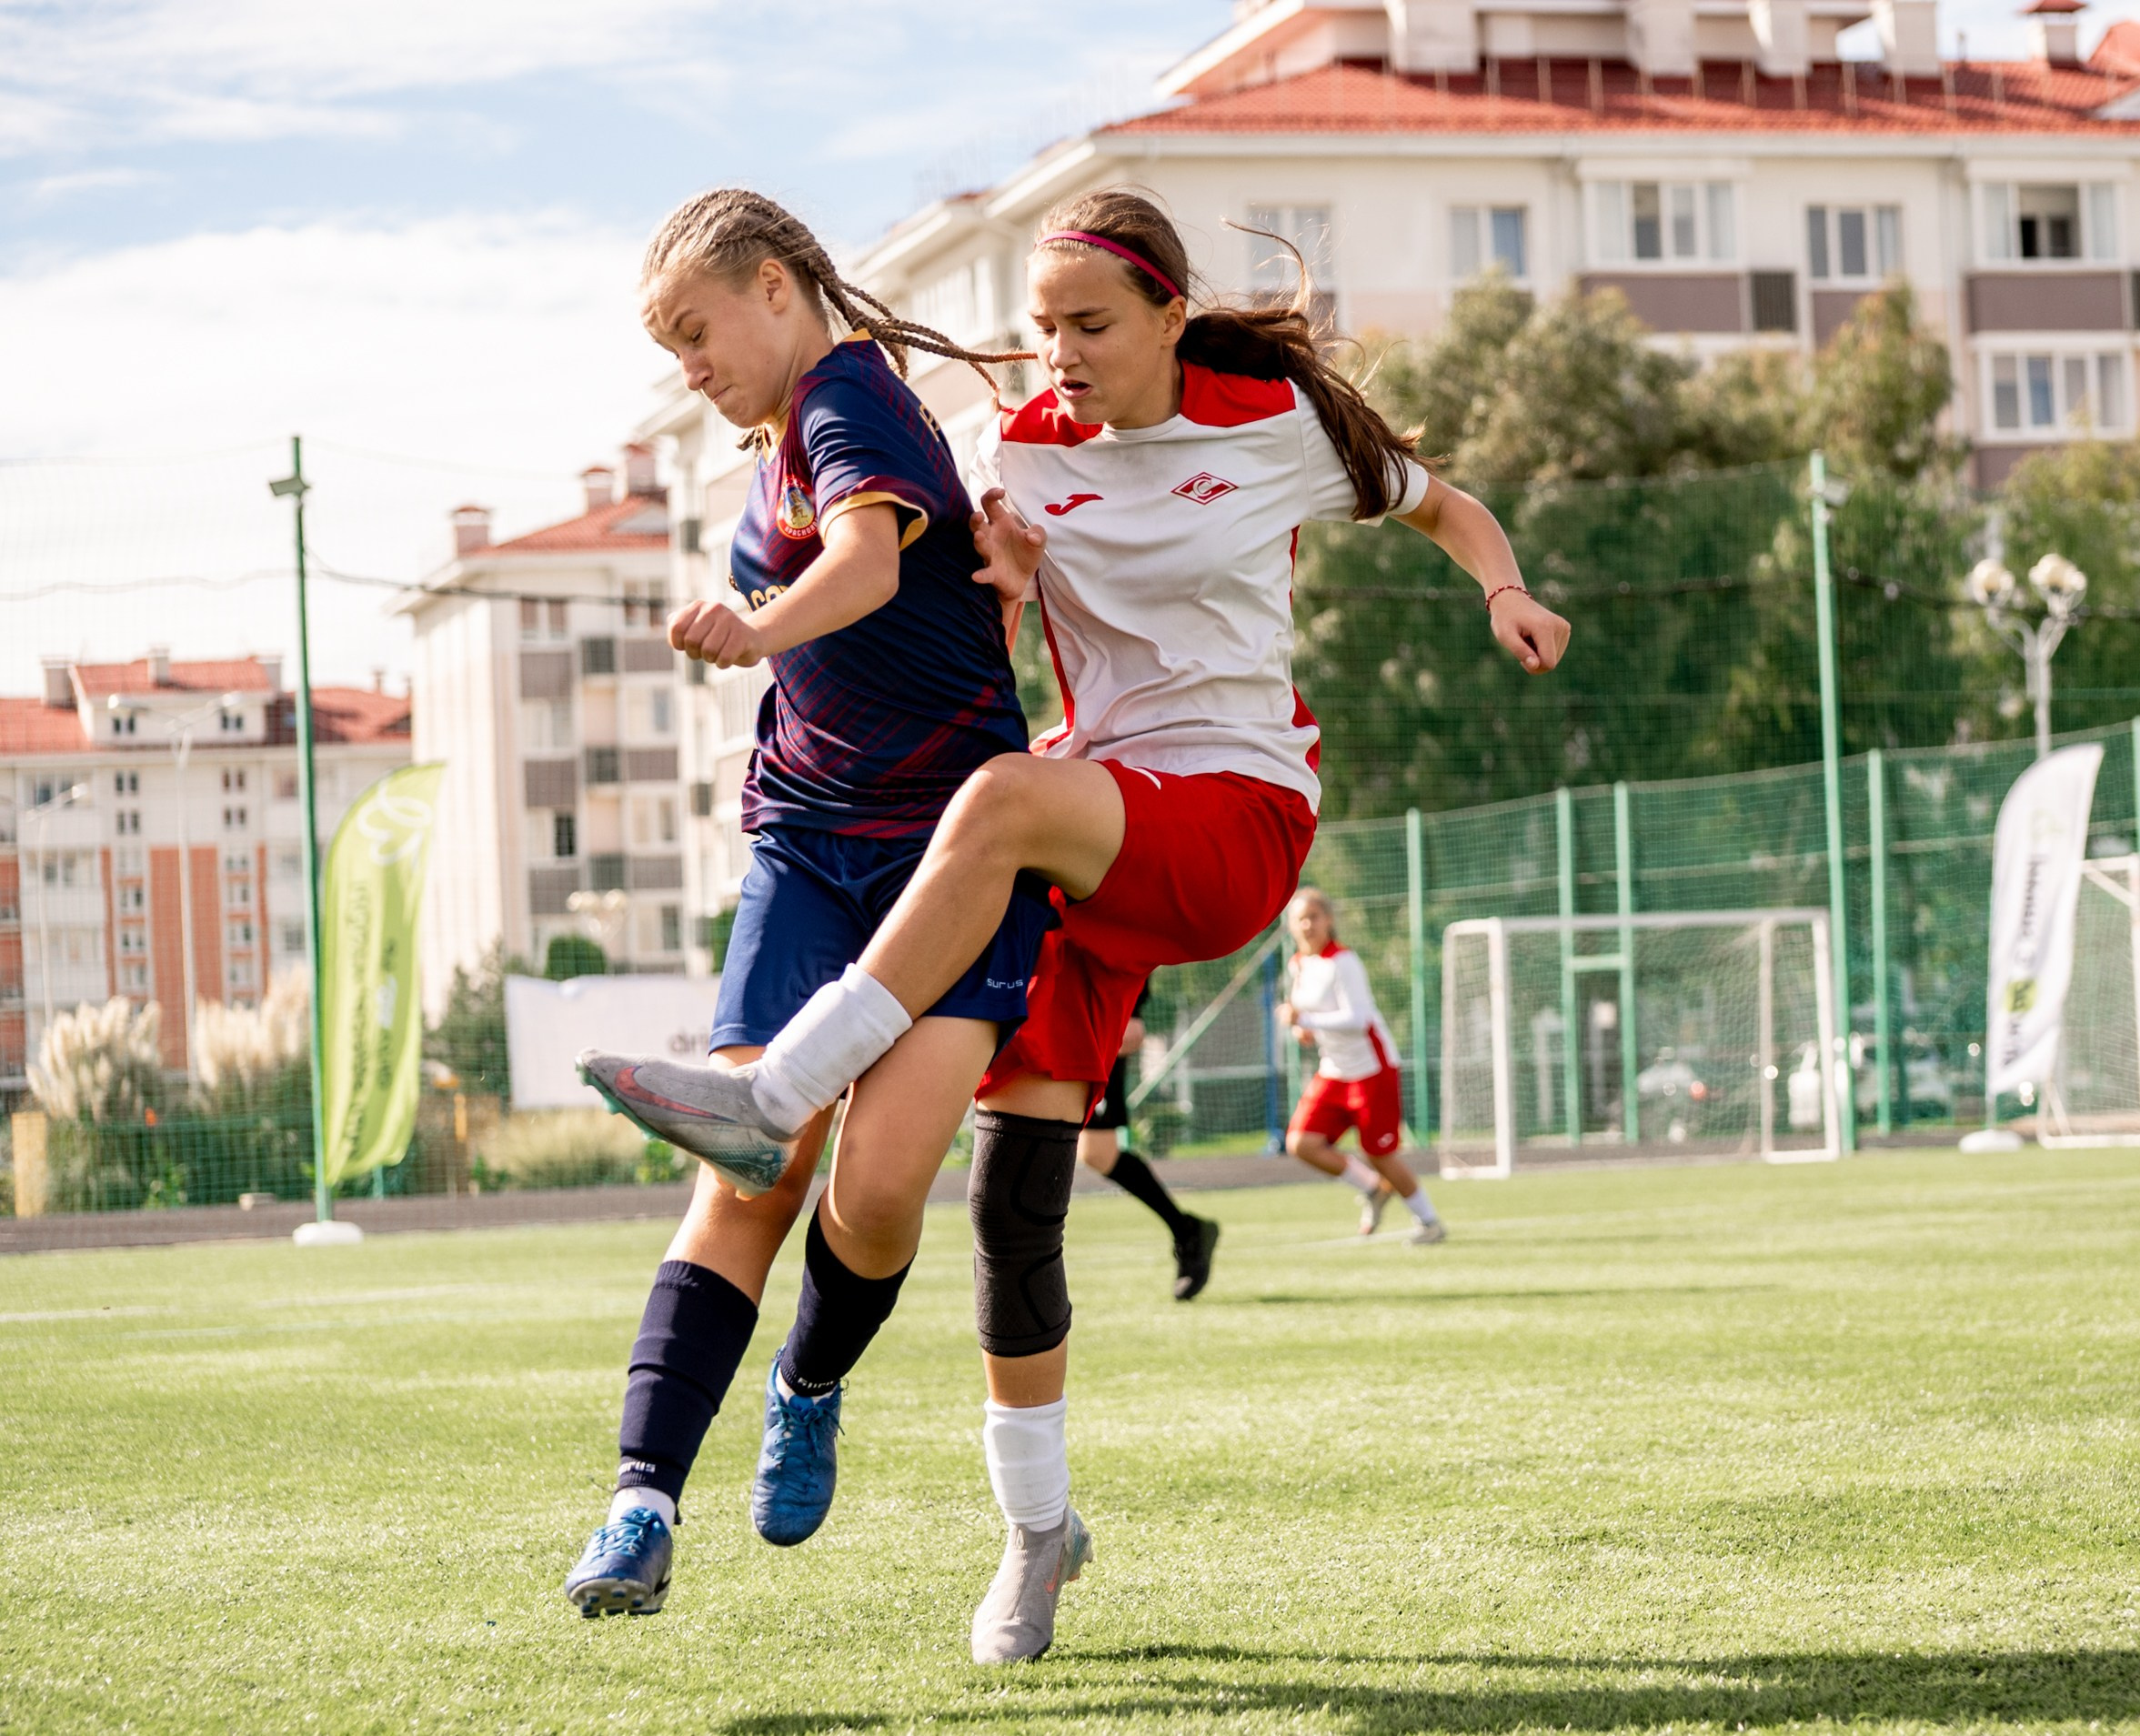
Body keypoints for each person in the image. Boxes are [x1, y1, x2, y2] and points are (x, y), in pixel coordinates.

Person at [582, 186, 1570, 1661]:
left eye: (1090, 325)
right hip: (1098, 833)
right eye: (1042, 328)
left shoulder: (1275, 424)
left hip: (1229, 810)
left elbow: (1442, 502)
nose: (1060, 354)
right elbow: (953, 581)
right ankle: (1036, 1535)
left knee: (996, 799)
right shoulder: (1027, 455)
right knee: (1008, 1194)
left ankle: (773, 1090)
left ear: (1171, 316)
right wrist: (986, 578)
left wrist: (1502, 585)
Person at [563, 186, 1052, 1622]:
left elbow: (868, 562)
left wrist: (761, 625)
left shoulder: (851, 400)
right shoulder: (777, 442)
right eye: (672, 348)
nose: (690, 367)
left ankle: (808, 1379)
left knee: (884, 1185)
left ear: (776, 288)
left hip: (954, 856)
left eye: (696, 333)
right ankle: (640, 1505)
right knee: (745, 1167)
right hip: (804, 846)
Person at [1277, 887, 1445, 1244]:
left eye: (1314, 917)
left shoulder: (1344, 962)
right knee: (1301, 1143)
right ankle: (1372, 1189)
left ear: (1329, 920)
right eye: (1299, 919)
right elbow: (1311, 1019)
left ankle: (1429, 1222)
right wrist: (1302, 1031)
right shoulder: (1298, 964)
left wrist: (1306, 1020)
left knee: (1379, 1153)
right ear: (1290, 925)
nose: (1307, 925)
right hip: (1334, 1070)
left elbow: (1357, 1018)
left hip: (1371, 1069)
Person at [1079, 982, 1219, 1300]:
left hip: (1097, 1013)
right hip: (1042, 1009)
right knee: (1093, 1153)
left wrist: (1134, 1007)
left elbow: (1122, 935)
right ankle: (1186, 1229)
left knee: (1097, 1152)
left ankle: (1187, 1230)